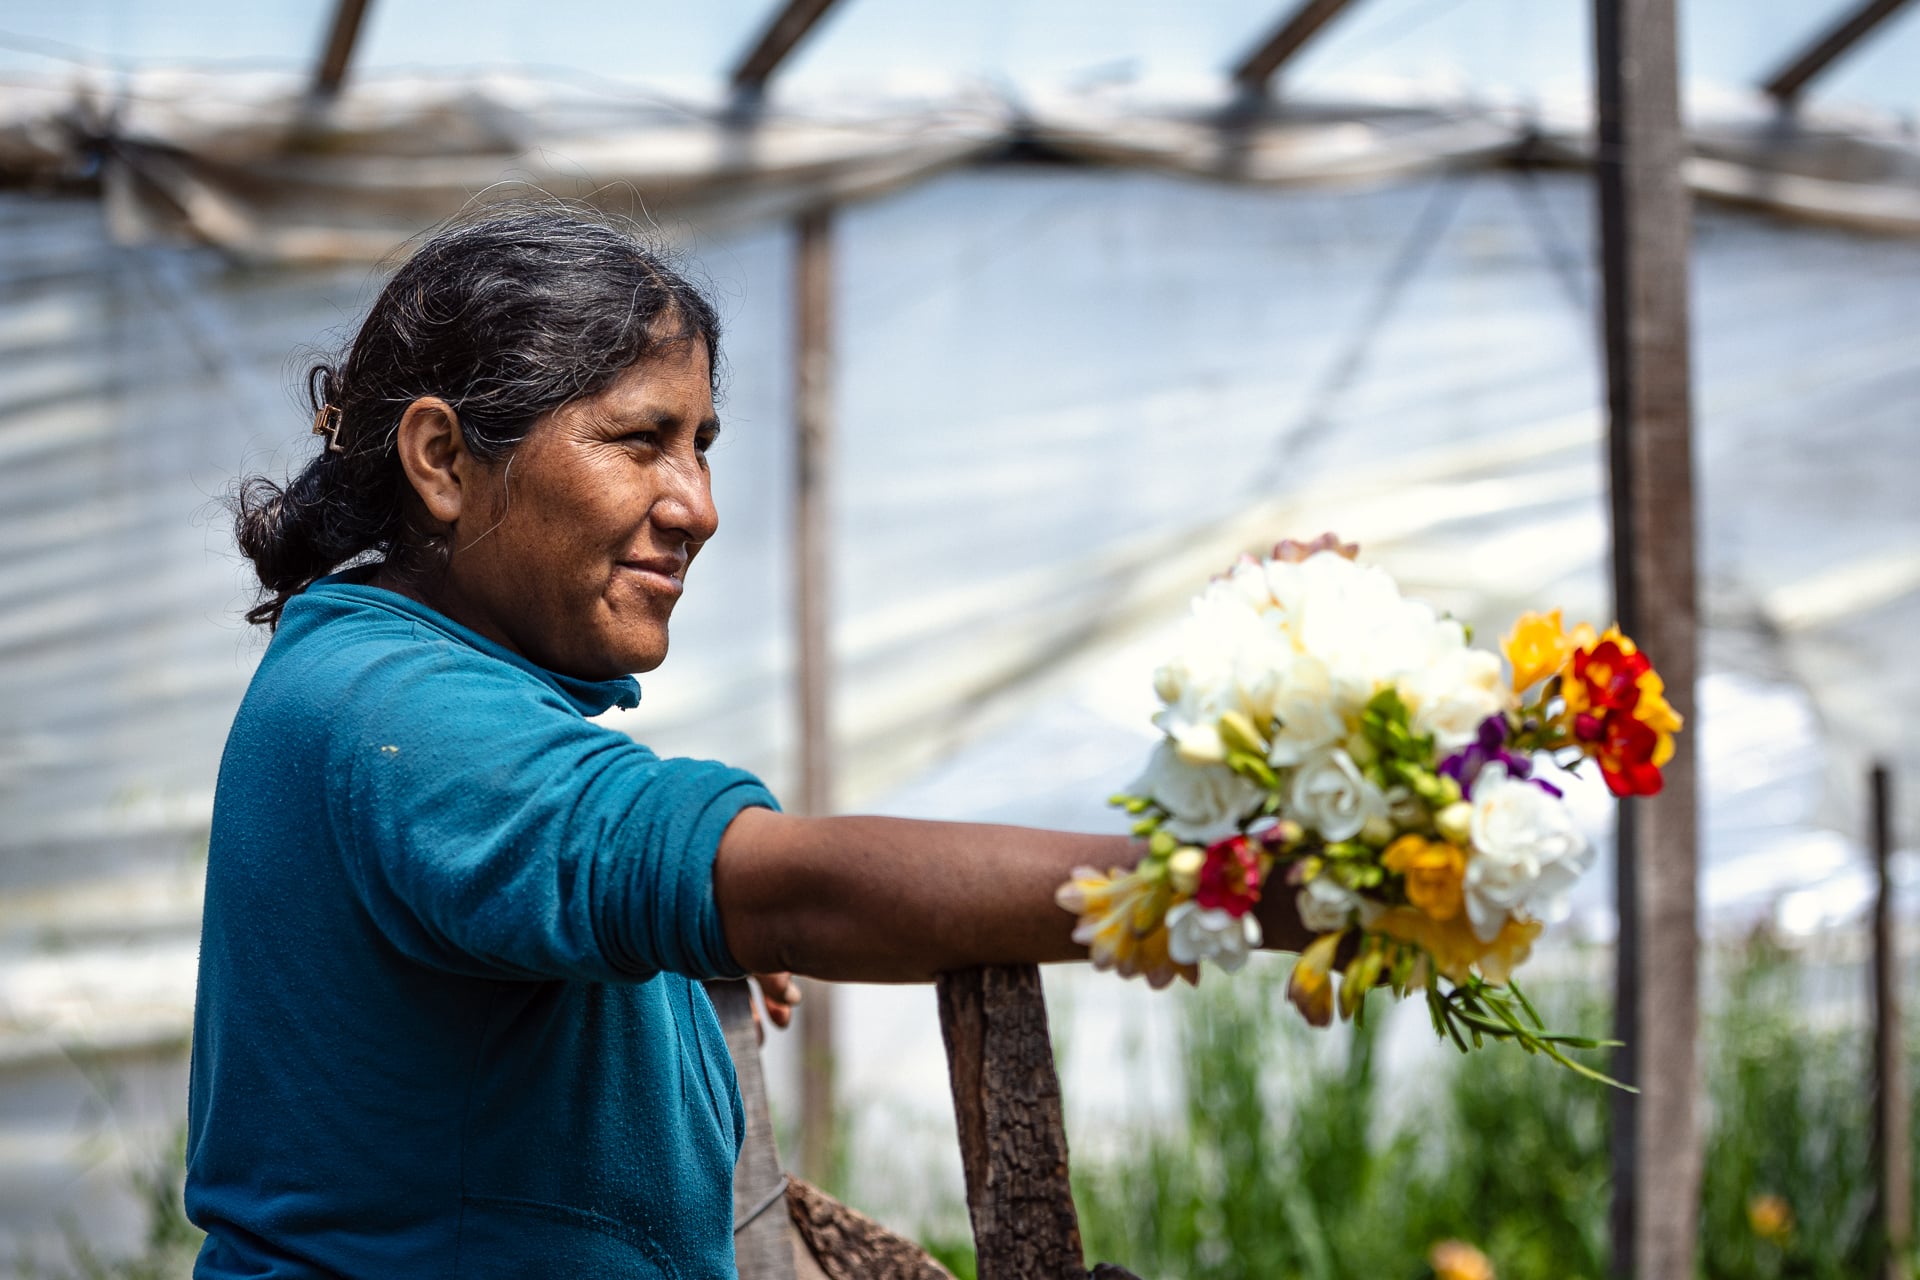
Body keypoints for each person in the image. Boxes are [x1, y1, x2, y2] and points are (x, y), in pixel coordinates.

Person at [189, 207, 1308, 1279]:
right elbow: (779, 888)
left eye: (702, 446)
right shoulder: (387, 710)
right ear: (441, 458)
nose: (699, 506)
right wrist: (1241, 889)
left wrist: (702, 920)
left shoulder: (402, 694)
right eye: (640, 441)